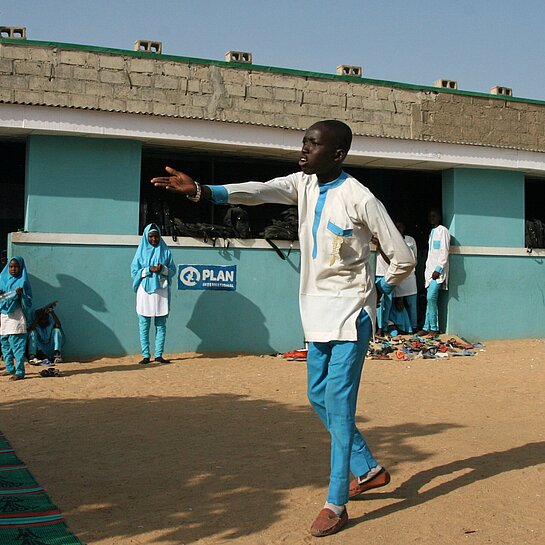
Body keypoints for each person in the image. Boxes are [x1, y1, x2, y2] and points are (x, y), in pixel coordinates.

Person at [151, 120, 415, 537]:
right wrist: (202, 190)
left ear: (338, 154)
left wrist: (378, 287)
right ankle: (369, 469)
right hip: (316, 313)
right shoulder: (303, 184)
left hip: (350, 315)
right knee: (316, 395)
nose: (304, 149)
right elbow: (259, 191)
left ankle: (336, 502)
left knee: (339, 404)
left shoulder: (360, 198)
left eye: (313, 144)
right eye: (304, 141)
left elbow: (401, 256)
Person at [131, 223, 176, 364]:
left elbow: (173, 270)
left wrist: (163, 269)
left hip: (161, 291)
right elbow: (134, 272)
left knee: (161, 324)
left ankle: (158, 355)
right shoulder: (140, 252)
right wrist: (148, 270)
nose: (154, 239)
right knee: (144, 324)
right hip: (145, 291)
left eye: (156, 236)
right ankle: (145, 355)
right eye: (151, 236)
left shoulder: (166, 252)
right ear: (146, 237)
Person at [418, 208, 450, 335]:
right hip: (429, 272)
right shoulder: (432, 233)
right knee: (428, 298)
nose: (432, 218)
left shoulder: (443, 231)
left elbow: (444, 252)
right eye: (430, 216)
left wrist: (438, 269)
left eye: (434, 216)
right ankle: (426, 327)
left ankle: (434, 328)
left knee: (431, 298)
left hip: (437, 273)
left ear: (439, 217)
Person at [0, 256, 32, 381]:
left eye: (16, 266)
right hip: (4, 315)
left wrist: (20, 295)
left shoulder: (23, 282)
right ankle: (9, 367)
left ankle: (19, 371)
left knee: (17, 345)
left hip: (17, 317)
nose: (13, 269)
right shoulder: (2, 279)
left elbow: (28, 300)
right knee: (5, 343)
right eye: (11, 266)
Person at [393, 221, 418, 331]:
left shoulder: (410, 240)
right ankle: (403, 327)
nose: (399, 229)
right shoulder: (392, 240)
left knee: (412, 303)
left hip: (410, 276)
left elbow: (415, 257)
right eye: (396, 227)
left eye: (401, 226)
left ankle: (414, 326)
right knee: (399, 304)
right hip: (399, 277)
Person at [371, 236, 393, 338]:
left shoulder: (388, 243)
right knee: (379, 303)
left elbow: (390, 261)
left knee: (387, 304)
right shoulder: (368, 242)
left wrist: (380, 247)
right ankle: (378, 328)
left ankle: (384, 327)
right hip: (375, 275)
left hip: (387, 275)